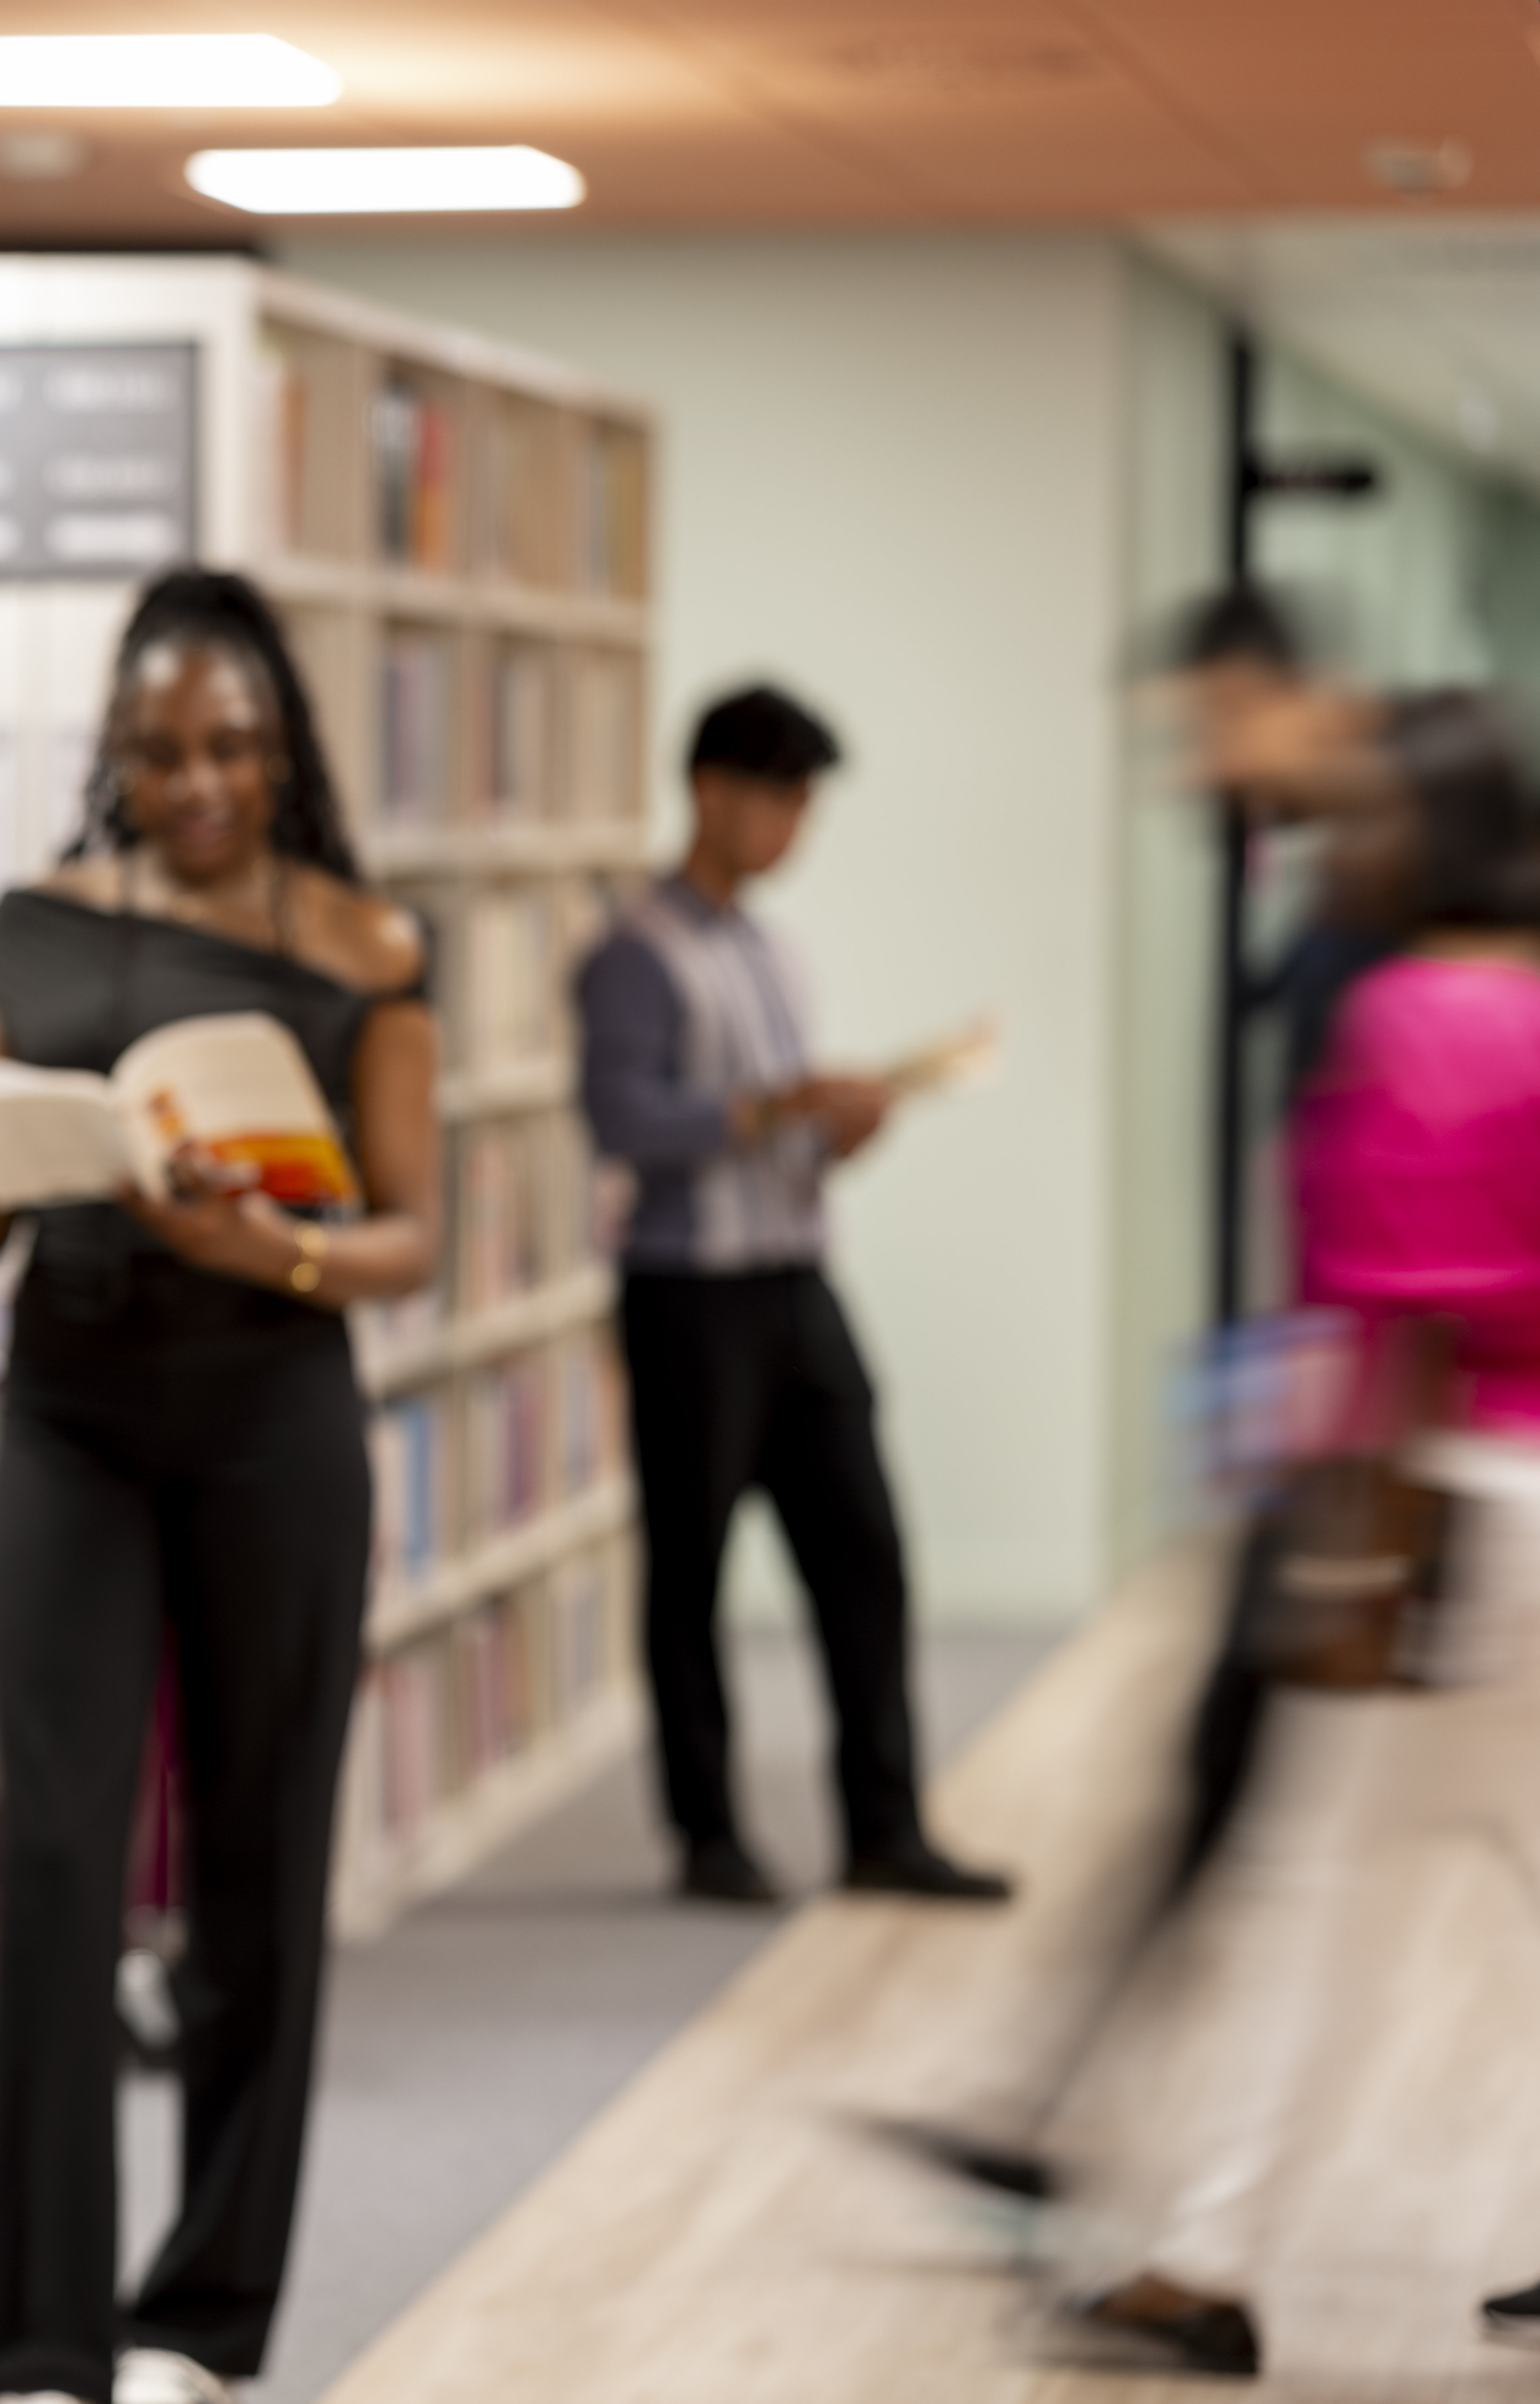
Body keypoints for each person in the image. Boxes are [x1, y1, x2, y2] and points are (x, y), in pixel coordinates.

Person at [0, 569, 440, 2404]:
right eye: (157, 752)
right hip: (67, 1415)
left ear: (278, 747)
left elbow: (409, 1242)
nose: (194, 782)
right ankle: (43, 2347)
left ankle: (200, 2324)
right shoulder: (33, 923)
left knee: (254, 1866)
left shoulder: (367, 948)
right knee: (57, 1865)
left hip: (269, 1420)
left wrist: (258, 1252)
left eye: (227, 747)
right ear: (114, 758)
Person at [1060, 691, 1540, 2380]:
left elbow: (1383, 1321)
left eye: (1364, 820)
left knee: (1304, 1885)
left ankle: (1203, 2260)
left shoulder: (1414, 1017)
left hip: (1448, 1506)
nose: (1339, 850)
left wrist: (1338, 1547)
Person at [572, 682, 1008, 1907]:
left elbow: (775, 1136)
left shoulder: (776, 951)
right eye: (782, 801)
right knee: (691, 1570)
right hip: (687, 1297)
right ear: (713, 791)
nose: (794, 831)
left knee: (865, 1550)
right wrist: (770, 1110)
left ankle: (886, 1824)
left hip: (798, 1283)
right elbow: (619, 1118)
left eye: (806, 808)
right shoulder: (633, 955)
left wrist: (840, 1128)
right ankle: (707, 1834)